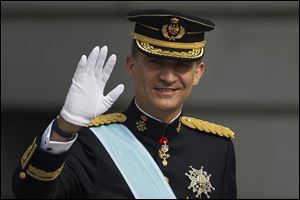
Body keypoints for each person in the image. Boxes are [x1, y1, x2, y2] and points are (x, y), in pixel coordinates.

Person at [12, 9, 237, 199]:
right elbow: (30, 192)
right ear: (131, 66)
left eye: (181, 65)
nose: (168, 77)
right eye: (156, 62)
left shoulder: (217, 148)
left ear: (197, 73)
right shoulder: (92, 143)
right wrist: (64, 127)